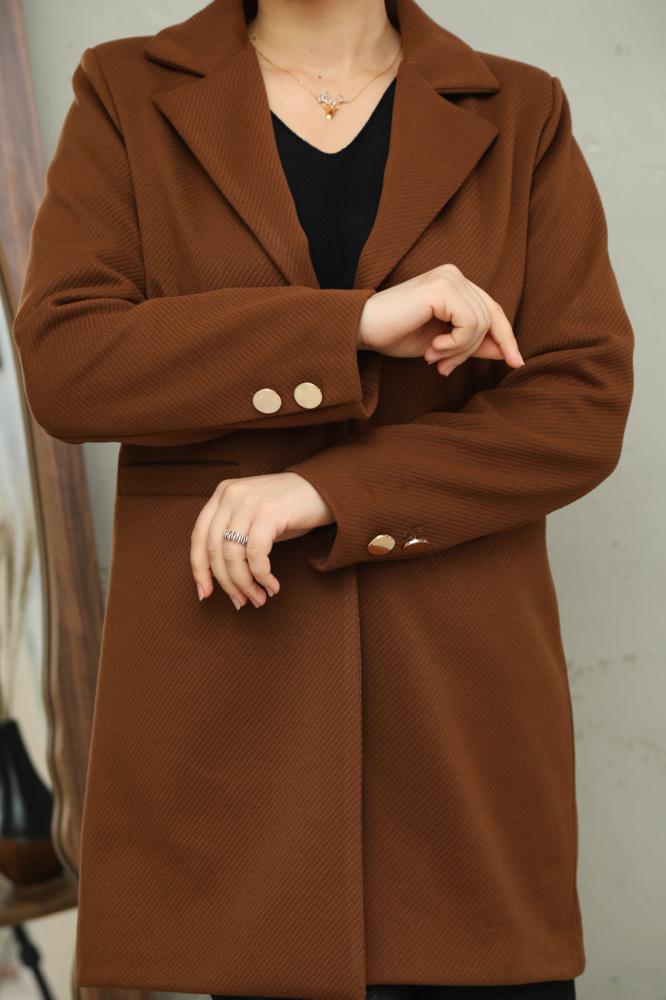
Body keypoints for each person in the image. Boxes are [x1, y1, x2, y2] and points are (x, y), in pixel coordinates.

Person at [11, 1, 634, 999]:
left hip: (459, 715)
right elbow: (68, 362)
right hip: (230, 705)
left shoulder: (520, 111)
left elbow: (579, 404)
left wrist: (325, 491)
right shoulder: (127, 91)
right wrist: (350, 328)